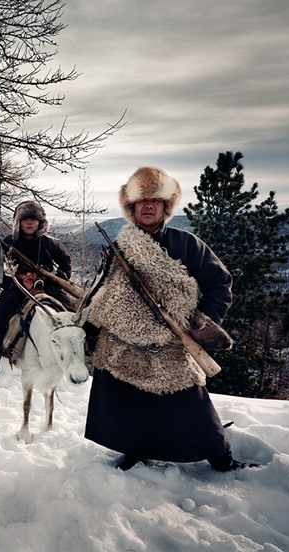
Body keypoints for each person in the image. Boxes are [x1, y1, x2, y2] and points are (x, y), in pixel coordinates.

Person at [82, 166, 251, 472]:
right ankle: (135, 449)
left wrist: (199, 326)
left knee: (193, 407)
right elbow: (102, 293)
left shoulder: (187, 244)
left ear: (164, 207)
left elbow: (219, 285)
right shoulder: (117, 249)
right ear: (132, 209)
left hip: (170, 346)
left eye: (155, 201)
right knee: (127, 405)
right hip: (124, 346)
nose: (148, 207)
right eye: (141, 202)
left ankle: (221, 456)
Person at [0, 201, 72, 378]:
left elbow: (65, 261)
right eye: (25, 219)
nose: (30, 223)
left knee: (71, 311)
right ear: (18, 222)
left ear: (41, 223)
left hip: (46, 287)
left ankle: (83, 350)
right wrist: (10, 283)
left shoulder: (48, 243)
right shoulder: (9, 242)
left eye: (34, 219)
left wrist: (56, 278)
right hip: (19, 288)